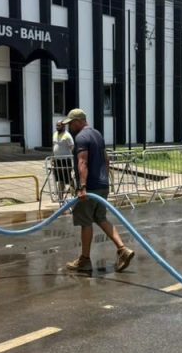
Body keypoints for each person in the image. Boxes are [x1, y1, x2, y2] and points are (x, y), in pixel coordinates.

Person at [62, 108, 135, 274]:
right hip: (102, 185)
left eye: (71, 123)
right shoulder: (97, 134)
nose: (70, 127)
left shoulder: (81, 137)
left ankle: (85, 260)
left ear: (79, 121)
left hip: (90, 187)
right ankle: (122, 249)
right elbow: (106, 159)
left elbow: (82, 162)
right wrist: (105, 180)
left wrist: (82, 187)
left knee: (85, 222)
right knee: (100, 217)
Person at [51, 118, 74, 200]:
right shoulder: (55, 134)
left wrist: (73, 158)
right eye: (56, 125)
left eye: (59, 125)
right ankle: (60, 197)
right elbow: (54, 146)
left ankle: (75, 192)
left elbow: (72, 147)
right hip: (57, 160)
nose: (57, 127)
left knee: (68, 178)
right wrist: (52, 158)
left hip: (65, 161)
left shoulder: (67, 135)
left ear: (64, 126)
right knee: (59, 179)